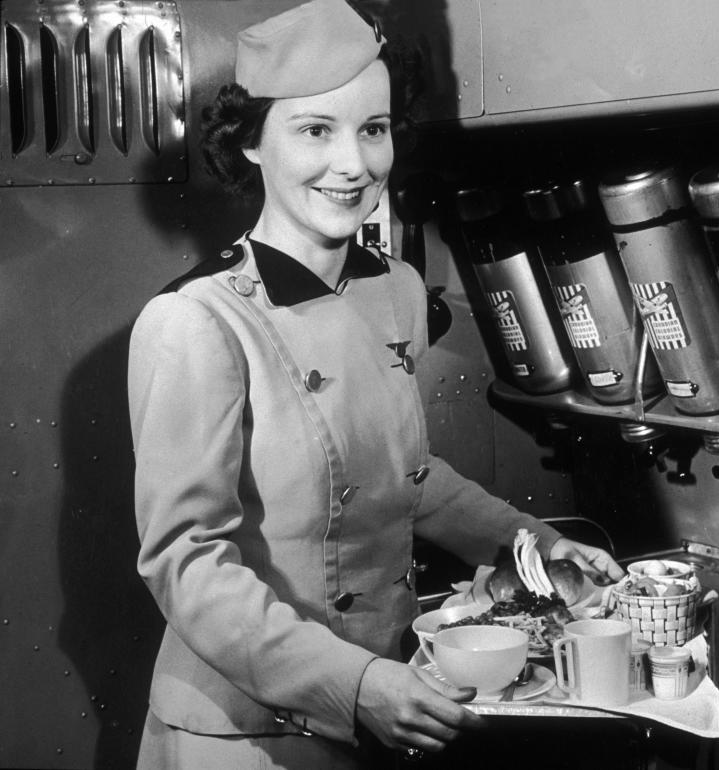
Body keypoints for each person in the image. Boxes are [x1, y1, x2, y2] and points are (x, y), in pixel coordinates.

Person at [127, 1, 625, 767]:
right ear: (251, 143)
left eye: (374, 128)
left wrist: (539, 548)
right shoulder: (197, 322)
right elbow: (186, 564)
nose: (354, 164)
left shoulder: (392, 290)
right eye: (315, 130)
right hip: (247, 731)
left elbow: (405, 480)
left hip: (390, 704)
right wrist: (356, 685)